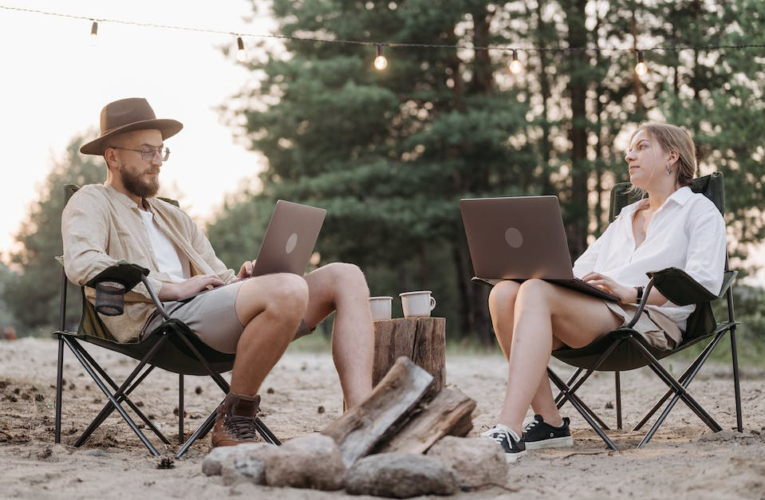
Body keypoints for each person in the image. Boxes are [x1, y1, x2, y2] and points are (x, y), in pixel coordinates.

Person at [62, 98, 374, 448]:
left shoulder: (173, 216)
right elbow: (82, 262)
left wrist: (242, 281)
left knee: (345, 276)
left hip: (207, 311)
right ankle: (235, 419)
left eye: (161, 152)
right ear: (113, 156)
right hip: (162, 322)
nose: (156, 162)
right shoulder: (92, 201)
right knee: (287, 289)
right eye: (146, 152)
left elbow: (217, 276)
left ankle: (362, 417)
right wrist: (169, 289)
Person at [481, 123, 726, 462]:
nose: (629, 155)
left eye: (641, 147)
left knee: (535, 292)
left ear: (673, 156)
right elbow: (576, 272)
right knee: (505, 294)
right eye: (630, 148)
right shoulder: (623, 219)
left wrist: (631, 292)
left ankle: (508, 428)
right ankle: (550, 423)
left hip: (649, 322)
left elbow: (704, 282)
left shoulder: (699, 211)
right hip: (601, 312)